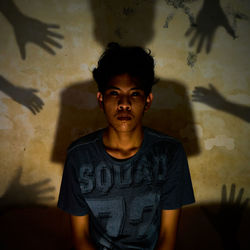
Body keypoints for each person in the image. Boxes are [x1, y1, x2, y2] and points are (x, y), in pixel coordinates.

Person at [58, 43, 195, 250]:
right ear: (101, 99)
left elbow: (167, 237)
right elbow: (81, 237)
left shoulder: (169, 153)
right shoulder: (79, 156)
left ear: (148, 101)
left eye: (134, 94)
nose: (124, 104)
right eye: (114, 93)